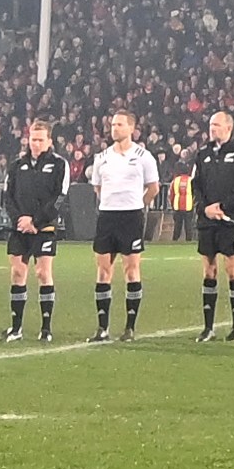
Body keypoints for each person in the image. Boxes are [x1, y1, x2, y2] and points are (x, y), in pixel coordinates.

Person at [179, 107, 234, 342]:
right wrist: (204, 208)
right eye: (210, 125)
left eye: (216, 125)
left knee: (233, 271)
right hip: (207, 221)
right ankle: (208, 328)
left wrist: (224, 207)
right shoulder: (203, 153)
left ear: (228, 127)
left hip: (231, 221)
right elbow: (195, 185)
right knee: (209, 271)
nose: (211, 128)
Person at [80, 108, 161, 344]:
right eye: (113, 124)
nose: (114, 128)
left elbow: (153, 187)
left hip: (131, 217)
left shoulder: (143, 156)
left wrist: (138, 205)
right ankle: (102, 327)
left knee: (131, 269)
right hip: (107, 217)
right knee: (103, 270)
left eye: (119, 125)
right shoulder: (101, 157)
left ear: (132, 129)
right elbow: (97, 188)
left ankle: (129, 327)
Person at [0, 121, 69, 343]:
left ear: (49, 141)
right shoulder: (17, 165)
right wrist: (19, 219)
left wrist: (35, 221)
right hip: (19, 228)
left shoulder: (58, 165)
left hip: (43, 227)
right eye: (32, 139)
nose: (35, 144)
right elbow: (8, 196)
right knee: (18, 272)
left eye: (39, 140)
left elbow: (59, 197)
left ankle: (46, 328)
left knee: (43, 273)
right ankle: (16, 328)